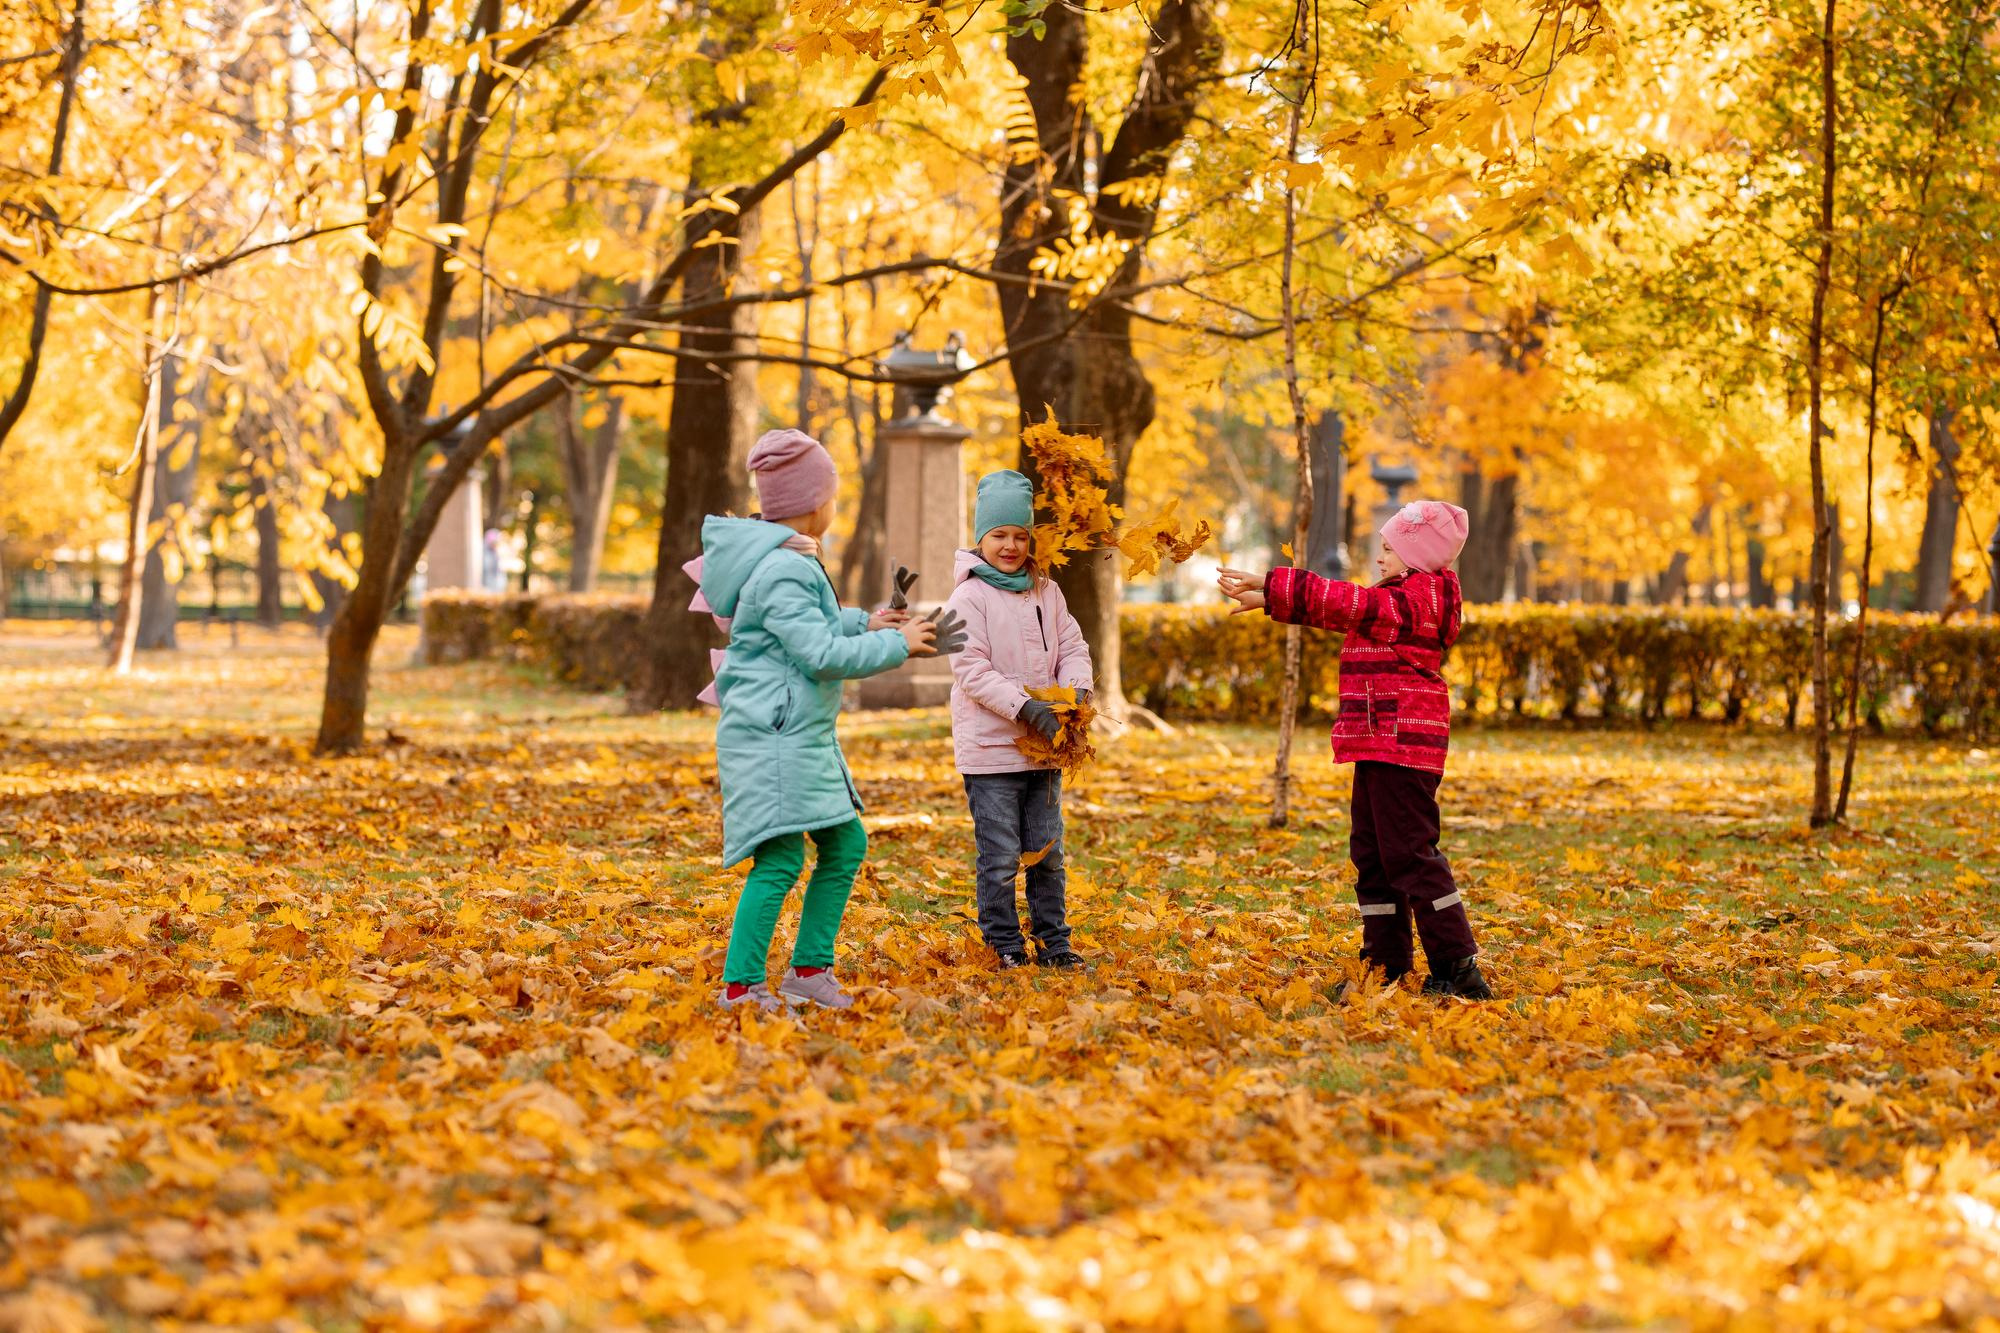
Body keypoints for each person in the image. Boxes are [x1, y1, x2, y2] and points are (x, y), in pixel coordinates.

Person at [686, 428, 962, 1011]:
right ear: (814, 504)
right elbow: (818, 655)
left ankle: (808, 971)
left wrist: (869, 623)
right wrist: (899, 646)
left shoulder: (787, 559)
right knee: (782, 857)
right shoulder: (783, 568)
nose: (834, 505)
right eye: (833, 494)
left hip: (795, 737)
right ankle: (741, 985)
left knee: (844, 844)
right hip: (775, 739)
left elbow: (813, 625)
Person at [1217, 500, 1493, 1000]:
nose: (1379, 557)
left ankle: (1457, 966)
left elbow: (1351, 604)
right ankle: (1384, 962)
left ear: (1416, 557)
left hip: (1402, 746)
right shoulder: (1402, 596)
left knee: (1410, 855)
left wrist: (1273, 583)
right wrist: (1275, 603)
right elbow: (1345, 609)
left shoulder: (1416, 601)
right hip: (1379, 743)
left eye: (1388, 549)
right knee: (1373, 856)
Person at [944, 470, 1092, 970]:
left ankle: (1055, 942)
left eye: (1020, 535)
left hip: (1045, 749)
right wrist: (1026, 708)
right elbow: (970, 669)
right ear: (980, 538)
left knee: (1047, 852)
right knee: (1002, 855)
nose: (1010, 545)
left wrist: (1075, 693)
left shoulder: (1046, 592)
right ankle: (1003, 942)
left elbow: (1072, 645)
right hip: (991, 753)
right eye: (999, 535)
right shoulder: (969, 597)